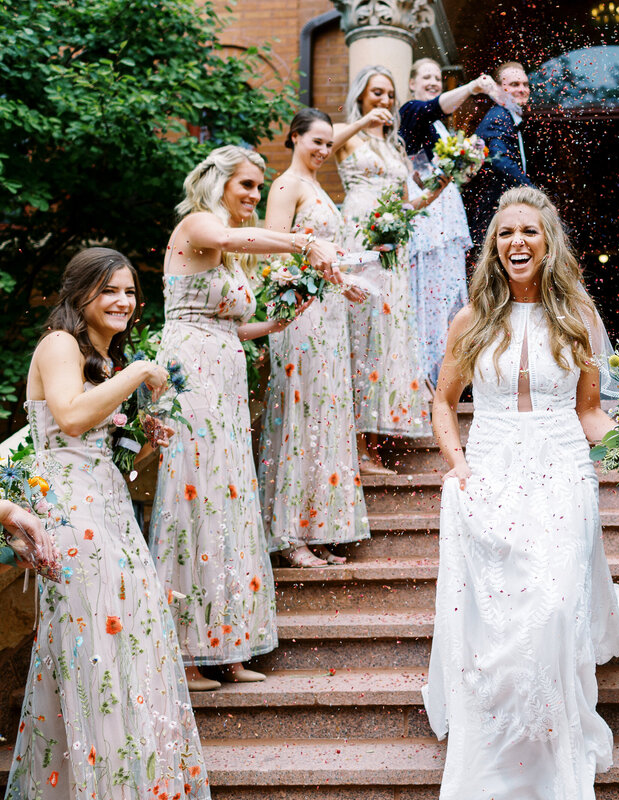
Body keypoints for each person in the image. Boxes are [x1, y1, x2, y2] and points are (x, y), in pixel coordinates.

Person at [424, 185, 619, 798]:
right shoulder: (471, 319)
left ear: (549, 244)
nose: (515, 242)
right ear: (493, 247)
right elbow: (443, 403)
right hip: (492, 468)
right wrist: (458, 464)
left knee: (550, 605)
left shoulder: (579, 317)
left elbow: (592, 413)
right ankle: (501, 726)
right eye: (504, 234)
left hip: (562, 468)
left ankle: (552, 729)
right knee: (502, 614)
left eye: (528, 233)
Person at [7, 248, 209, 798]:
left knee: (131, 645)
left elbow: (95, 433)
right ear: (81, 294)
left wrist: (144, 431)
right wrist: (142, 372)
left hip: (111, 512)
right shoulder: (59, 345)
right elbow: (69, 417)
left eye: (129, 292)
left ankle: (125, 781)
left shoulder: (103, 359)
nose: (123, 302)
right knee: (94, 649)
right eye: (110, 290)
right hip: (72, 517)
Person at [149, 144, 339, 692]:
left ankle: (225, 649)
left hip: (226, 381)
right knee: (195, 501)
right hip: (191, 379)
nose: (256, 196)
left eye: (260, 187)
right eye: (248, 185)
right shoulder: (198, 225)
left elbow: (229, 324)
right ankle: (183, 655)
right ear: (220, 181)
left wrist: (275, 326)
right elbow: (232, 240)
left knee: (227, 502)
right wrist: (305, 239)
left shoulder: (228, 253)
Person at [258, 108, 371, 568]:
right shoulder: (288, 185)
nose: (324, 150)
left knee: (325, 417)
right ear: (294, 137)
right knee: (301, 416)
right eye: (316, 142)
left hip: (328, 316)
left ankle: (318, 527)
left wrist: (347, 275)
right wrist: (334, 277)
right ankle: (289, 534)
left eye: (329, 143)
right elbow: (272, 246)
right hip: (300, 315)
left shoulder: (319, 187)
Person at [334, 65, 446, 473]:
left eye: (387, 94)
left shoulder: (396, 147)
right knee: (362, 333)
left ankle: (375, 437)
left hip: (392, 243)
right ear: (362, 96)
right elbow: (323, 145)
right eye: (375, 93)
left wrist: (444, 182)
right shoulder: (349, 134)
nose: (382, 101)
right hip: (360, 238)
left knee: (385, 335)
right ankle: (358, 445)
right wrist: (361, 122)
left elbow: (409, 203)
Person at [400, 59, 496, 384]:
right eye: (426, 77)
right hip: (428, 216)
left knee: (450, 294)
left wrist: (467, 160)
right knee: (429, 297)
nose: (433, 82)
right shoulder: (412, 111)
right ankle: (425, 379)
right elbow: (432, 110)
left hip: (446, 210)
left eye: (437, 78)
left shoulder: (441, 126)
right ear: (412, 83)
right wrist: (472, 87)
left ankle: (445, 378)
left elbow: (427, 166)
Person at [464, 61, 534, 246]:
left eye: (525, 85)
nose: (522, 89)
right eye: (514, 84)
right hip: (493, 213)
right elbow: (500, 160)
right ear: (498, 89)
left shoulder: (508, 116)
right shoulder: (499, 116)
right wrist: (533, 194)